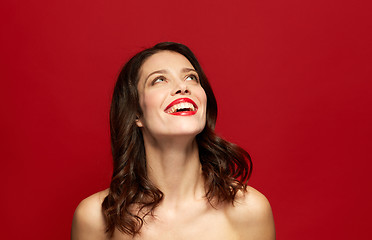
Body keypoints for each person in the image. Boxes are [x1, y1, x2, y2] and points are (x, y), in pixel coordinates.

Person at [71, 42, 275, 240]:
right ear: (136, 114)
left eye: (191, 77)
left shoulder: (250, 210)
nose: (182, 87)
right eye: (159, 80)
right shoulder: (96, 218)